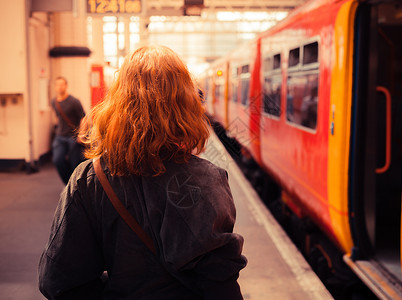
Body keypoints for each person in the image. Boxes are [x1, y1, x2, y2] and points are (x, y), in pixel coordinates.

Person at [39, 46, 247, 299]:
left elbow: (58, 282)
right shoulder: (208, 180)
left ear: (117, 103)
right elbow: (220, 284)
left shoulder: (87, 179)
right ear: (186, 104)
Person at [51, 77, 86, 184]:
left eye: (62, 85)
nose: (60, 87)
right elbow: (58, 117)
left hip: (73, 137)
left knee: (74, 163)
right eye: (57, 85)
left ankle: (76, 185)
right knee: (58, 160)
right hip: (60, 136)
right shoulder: (54, 101)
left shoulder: (74, 101)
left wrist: (81, 134)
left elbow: (84, 118)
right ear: (55, 87)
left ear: (66, 86)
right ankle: (68, 184)